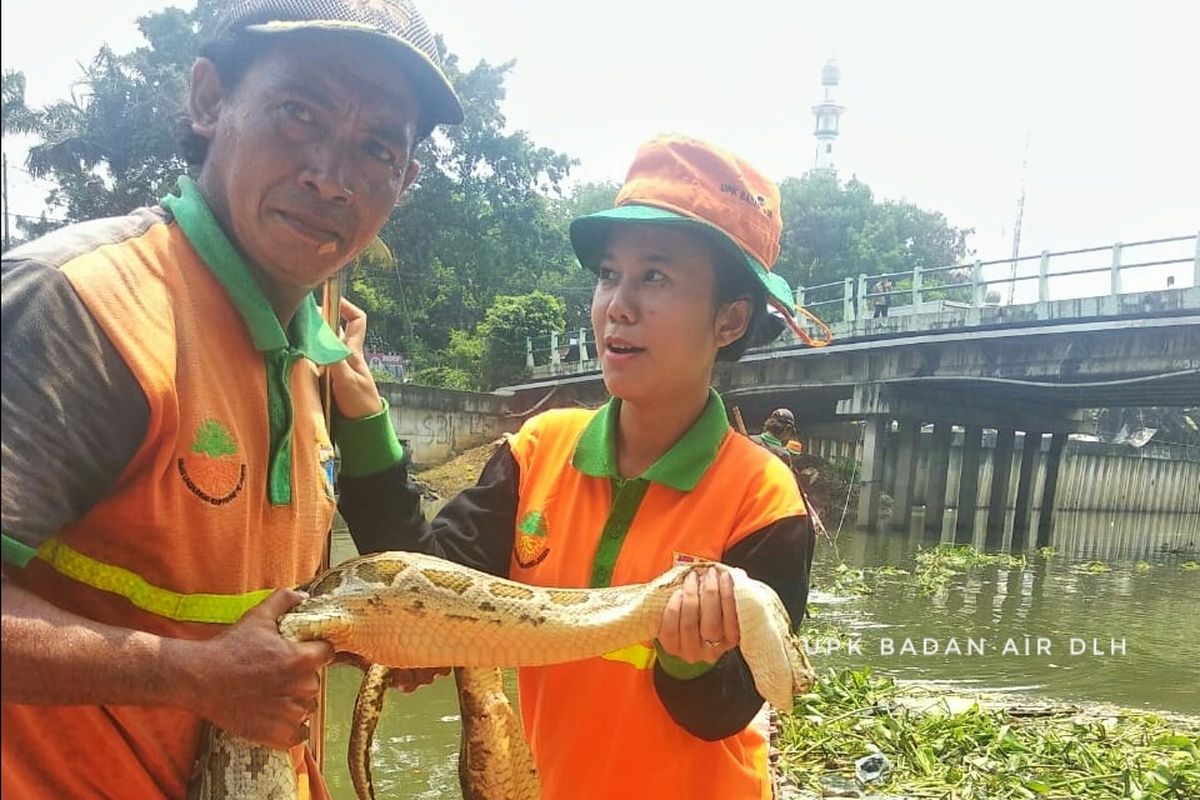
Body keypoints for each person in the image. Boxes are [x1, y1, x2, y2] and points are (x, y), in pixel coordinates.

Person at [0, 1, 461, 798]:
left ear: (406, 181)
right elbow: (216, 668)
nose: (330, 176)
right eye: (298, 113)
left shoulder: (310, 354)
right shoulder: (84, 309)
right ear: (210, 101)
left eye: (376, 148)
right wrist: (190, 674)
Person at [357, 134, 817, 798]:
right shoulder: (537, 452)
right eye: (609, 274)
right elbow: (418, 594)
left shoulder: (762, 498)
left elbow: (725, 712)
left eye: (654, 276)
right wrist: (366, 425)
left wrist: (691, 662)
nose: (616, 305)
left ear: (730, 318)